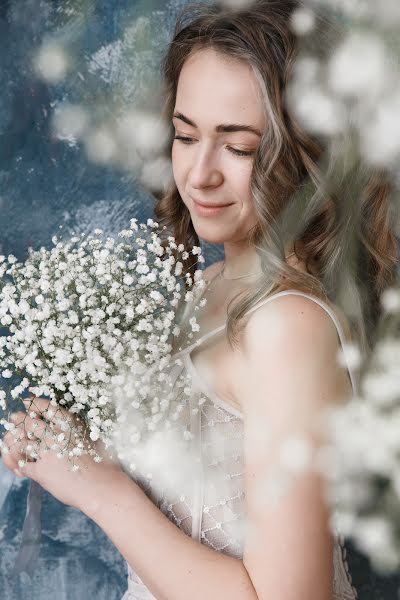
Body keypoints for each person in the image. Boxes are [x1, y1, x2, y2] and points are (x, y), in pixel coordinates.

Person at [1, 1, 398, 599]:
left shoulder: (287, 324)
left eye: (238, 148)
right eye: (186, 135)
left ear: (309, 152)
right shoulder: (211, 286)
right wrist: (69, 446)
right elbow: (203, 497)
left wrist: (98, 488)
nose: (199, 174)